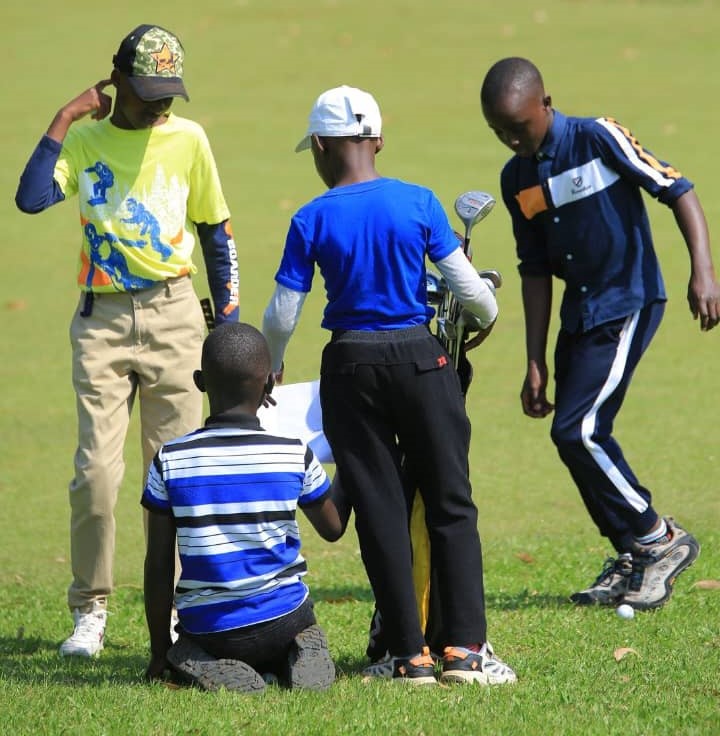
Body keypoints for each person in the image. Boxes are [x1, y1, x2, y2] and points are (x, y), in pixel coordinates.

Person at [262, 85, 516, 686]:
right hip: (422, 363)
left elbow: (281, 314)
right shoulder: (420, 202)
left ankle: (408, 656)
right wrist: (481, 322)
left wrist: (272, 362)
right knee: (452, 501)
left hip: (350, 366)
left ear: (322, 146)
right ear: (377, 139)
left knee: (379, 509)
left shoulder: (312, 216)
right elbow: (475, 296)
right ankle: (466, 653)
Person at [15, 24, 240, 657]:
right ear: (116, 82)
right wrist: (65, 115)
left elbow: (216, 231)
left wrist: (227, 322)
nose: (159, 106)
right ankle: (91, 610)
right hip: (102, 324)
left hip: (175, 319)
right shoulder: (84, 140)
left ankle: (170, 611)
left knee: (174, 477)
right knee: (96, 476)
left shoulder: (189, 140)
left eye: (168, 94)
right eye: (146, 94)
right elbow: (31, 198)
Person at [480, 57, 719, 610]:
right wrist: (533, 361)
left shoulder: (597, 137)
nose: (512, 139)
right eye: (499, 131)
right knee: (578, 437)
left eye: (519, 126)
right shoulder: (516, 177)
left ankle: (661, 539)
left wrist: (702, 270)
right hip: (580, 314)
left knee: (578, 430)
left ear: (546, 104)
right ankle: (633, 554)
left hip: (629, 299)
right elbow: (534, 270)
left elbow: (676, 188)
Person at [142, 322, 341, 692]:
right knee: (301, 628)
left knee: (185, 648)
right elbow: (332, 528)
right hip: (286, 618)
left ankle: (192, 659)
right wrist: (346, 463)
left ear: (200, 382)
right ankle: (297, 653)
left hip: (211, 628)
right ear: (269, 384)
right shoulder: (292, 453)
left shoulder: (171, 459)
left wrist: (159, 650)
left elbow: (158, 564)